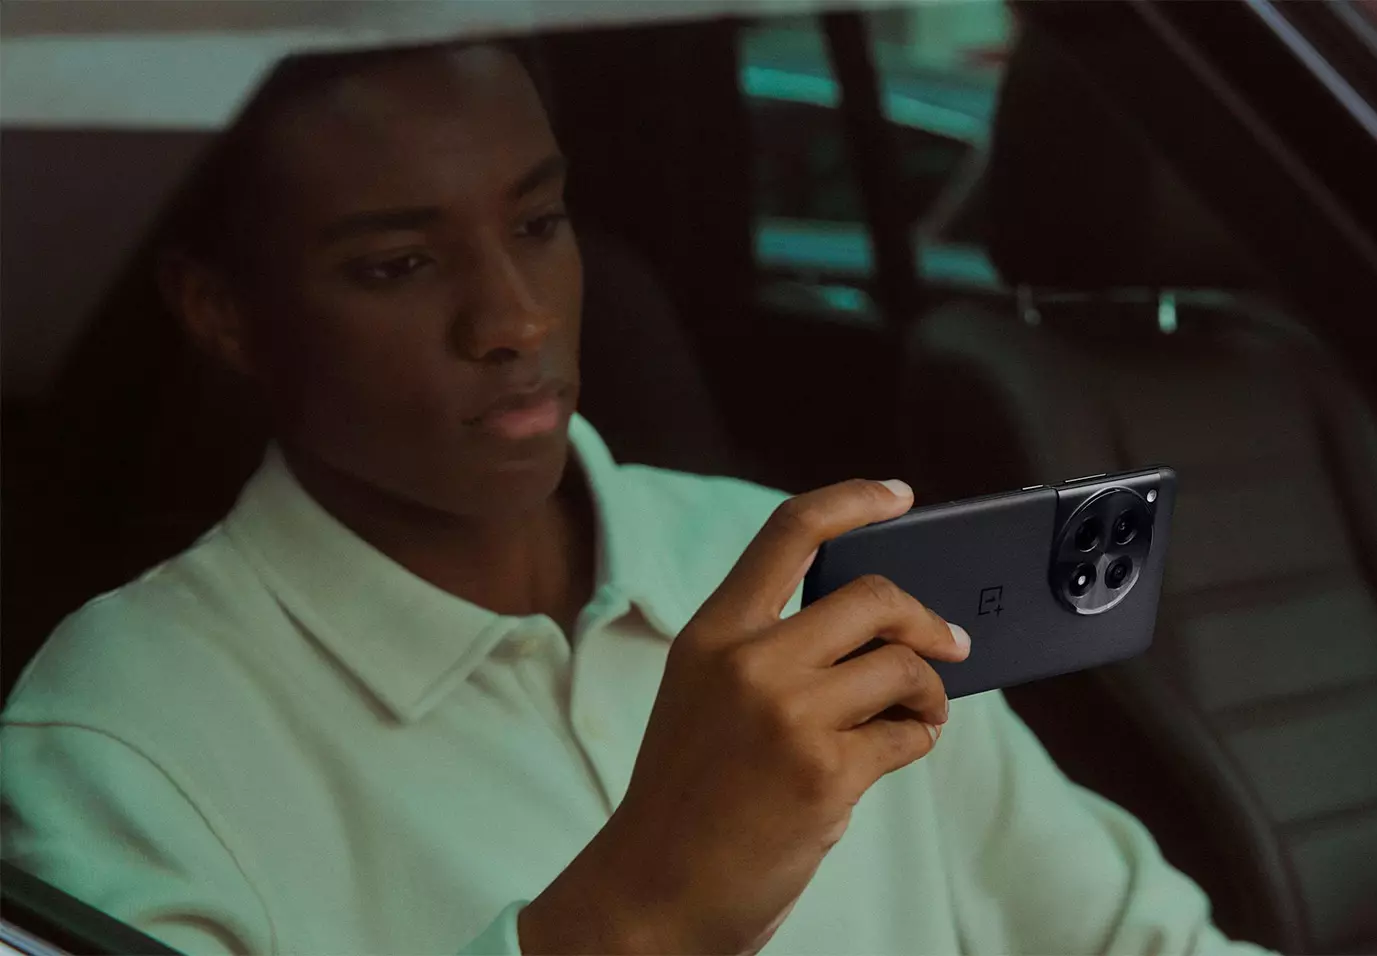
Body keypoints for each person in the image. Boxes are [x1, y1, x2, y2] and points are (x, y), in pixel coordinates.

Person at [0, 42, 1265, 956]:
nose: (513, 316)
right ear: (221, 312)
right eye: (397, 262)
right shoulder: (118, 741)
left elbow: (1131, 938)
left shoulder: (794, 570)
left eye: (539, 222)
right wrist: (640, 911)